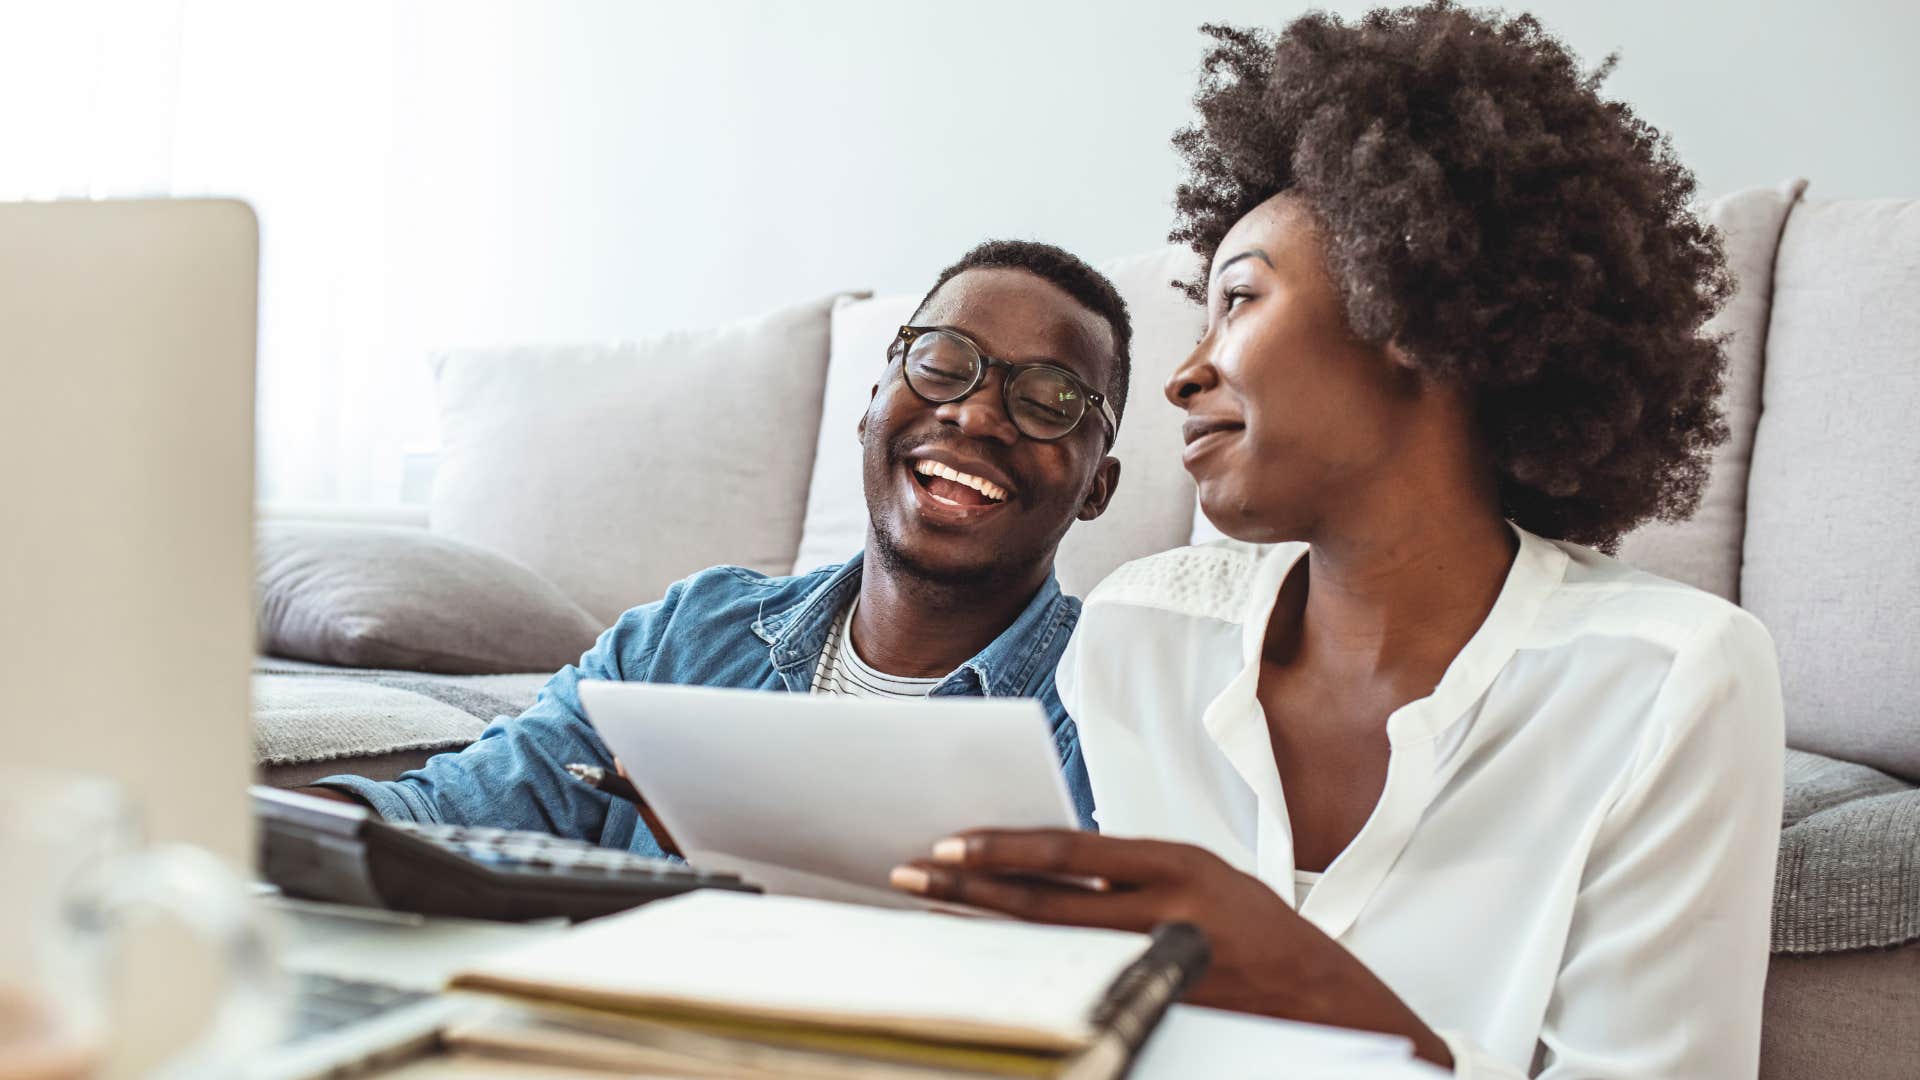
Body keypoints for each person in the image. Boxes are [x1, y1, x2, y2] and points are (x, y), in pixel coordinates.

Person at [888, 6, 1783, 1078]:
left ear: (1407, 309)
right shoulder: (1140, 633)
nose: (1183, 375)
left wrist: (1315, 991)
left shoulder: (1666, 681)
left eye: (1238, 302)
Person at [304, 239, 1130, 847]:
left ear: (1096, 486)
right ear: (873, 399)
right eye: (945, 364)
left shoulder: (1117, 700)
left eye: (1050, 399)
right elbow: (448, 809)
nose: (977, 413)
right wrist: (244, 839)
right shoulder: (689, 635)